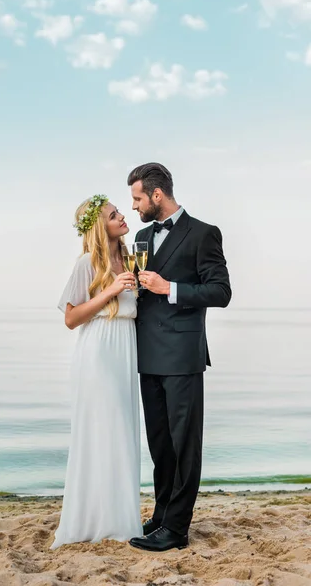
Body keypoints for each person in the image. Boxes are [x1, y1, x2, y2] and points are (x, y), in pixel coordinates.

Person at [127, 163, 231, 552]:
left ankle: (177, 529)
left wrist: (169, 287)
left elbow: (220, 292)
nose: (134, 206)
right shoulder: (140, 235)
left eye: (137, 198)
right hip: (146, 354)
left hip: (183, 355)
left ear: (157, 195)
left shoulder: (203, 233)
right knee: (159, 444)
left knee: (184, 444)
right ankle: (161, 514)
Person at [50, 194, 142, 549]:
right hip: (99, 353)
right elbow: (71, 318)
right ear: (99, 227)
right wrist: (112, 291)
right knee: (104, 432)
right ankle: (95, 521)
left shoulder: (130, 258)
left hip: (124, 351)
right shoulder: (89, 262)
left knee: (122, 435)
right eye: (113, 214)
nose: (121, 216)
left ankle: (119, 519)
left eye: (120, 211)